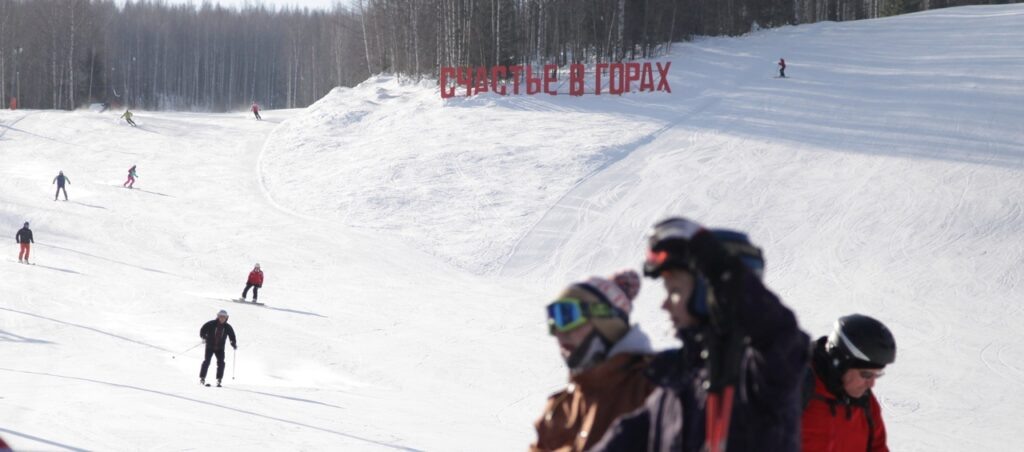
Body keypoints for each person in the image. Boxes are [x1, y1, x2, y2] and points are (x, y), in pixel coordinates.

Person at [593, 219, 809, 452]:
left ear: (711, 293)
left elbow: (780, 336)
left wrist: (720, 270)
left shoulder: (758, 376)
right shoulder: (674, 391)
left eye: (674, 291)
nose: (664, 304)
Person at [531, 270, 654, 452]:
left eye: (566, 315)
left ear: (606, 321)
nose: (558, 331)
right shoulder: (560, 409)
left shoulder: (656, 388)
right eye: (553, 319)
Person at [802, 314, 895, 452]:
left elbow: (877, 447)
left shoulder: (864, 401)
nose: (871, 384)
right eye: (866, 374)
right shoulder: (794, 390)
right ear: (839, 363)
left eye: (877, 375)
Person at [199, 310, 237, 387]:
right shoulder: (211, 324)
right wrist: (204, 337)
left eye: (224, 317)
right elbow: (203, 330)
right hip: (210, 346)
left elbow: (232, 336)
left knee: (221, 363)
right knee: (207, 361)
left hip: (220, 348)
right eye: (220, 317)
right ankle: (202, 378)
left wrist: (233, 343)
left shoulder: (227, 327)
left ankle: (219, 379)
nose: (222, 318)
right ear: (218, 316)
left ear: (226, 318)